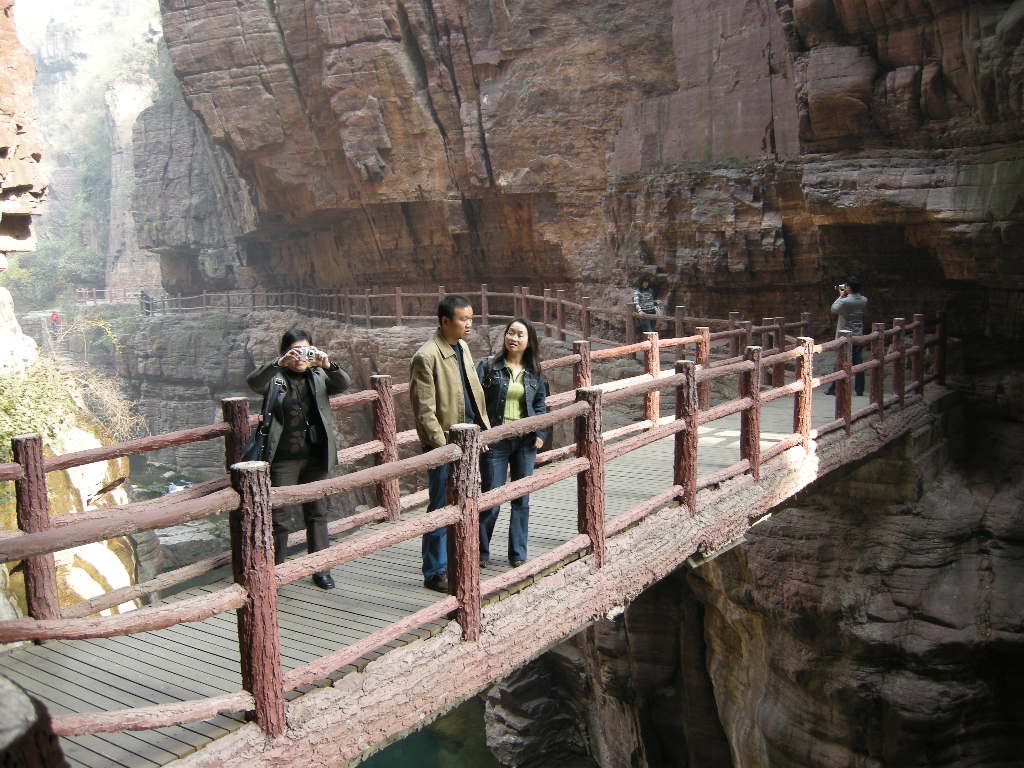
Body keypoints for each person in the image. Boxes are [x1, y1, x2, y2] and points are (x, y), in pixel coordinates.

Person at [246, 329, 351, 589]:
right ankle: (276, 572)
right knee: (279, 517)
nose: (301, 356)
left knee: (317, 513)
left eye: (306, 350)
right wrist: (279, 363)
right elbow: (254, 383)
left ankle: (321, 568)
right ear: (285, 352)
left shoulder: (318, 375)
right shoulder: (276, 377)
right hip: (284, 459)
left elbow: (343, 383)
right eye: (295, 351)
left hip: (315, 456)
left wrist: (328, 364)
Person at [409, 295, 490, 592]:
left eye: (471, 318)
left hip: (468, 439)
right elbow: (425, 410)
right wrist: (444, 448)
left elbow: (473, 392)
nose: (469, 324)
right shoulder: (426, 356)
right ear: (445, 321)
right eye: (463, 319)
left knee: (466, 501)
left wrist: (484, 430)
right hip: (446, 446)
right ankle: (435, 570)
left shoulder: (462, 347)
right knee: (440, 505)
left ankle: (459, 557)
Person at [476, 318, 549, 568]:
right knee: (491, 498)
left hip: (525, 441)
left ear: (529, 341)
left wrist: (540, 432)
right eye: (510, 333)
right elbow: (475, 402)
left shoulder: (535, 372)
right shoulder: (488, 367)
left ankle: (517, 554)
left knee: (521, 499)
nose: (513, 338)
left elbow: (541, 404)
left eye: (519, 335)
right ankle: (480, 552)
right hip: (495, 440)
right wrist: (480, 434)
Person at [826, 277, 868, 397]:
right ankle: (859, 389)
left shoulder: (845, 301)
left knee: (839, 361)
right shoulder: (864, 300)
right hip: (858, 333)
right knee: (858, 361)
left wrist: (841, 295)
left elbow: (834, 309)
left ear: (849, 288)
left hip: (845, 334)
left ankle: (833, 388)